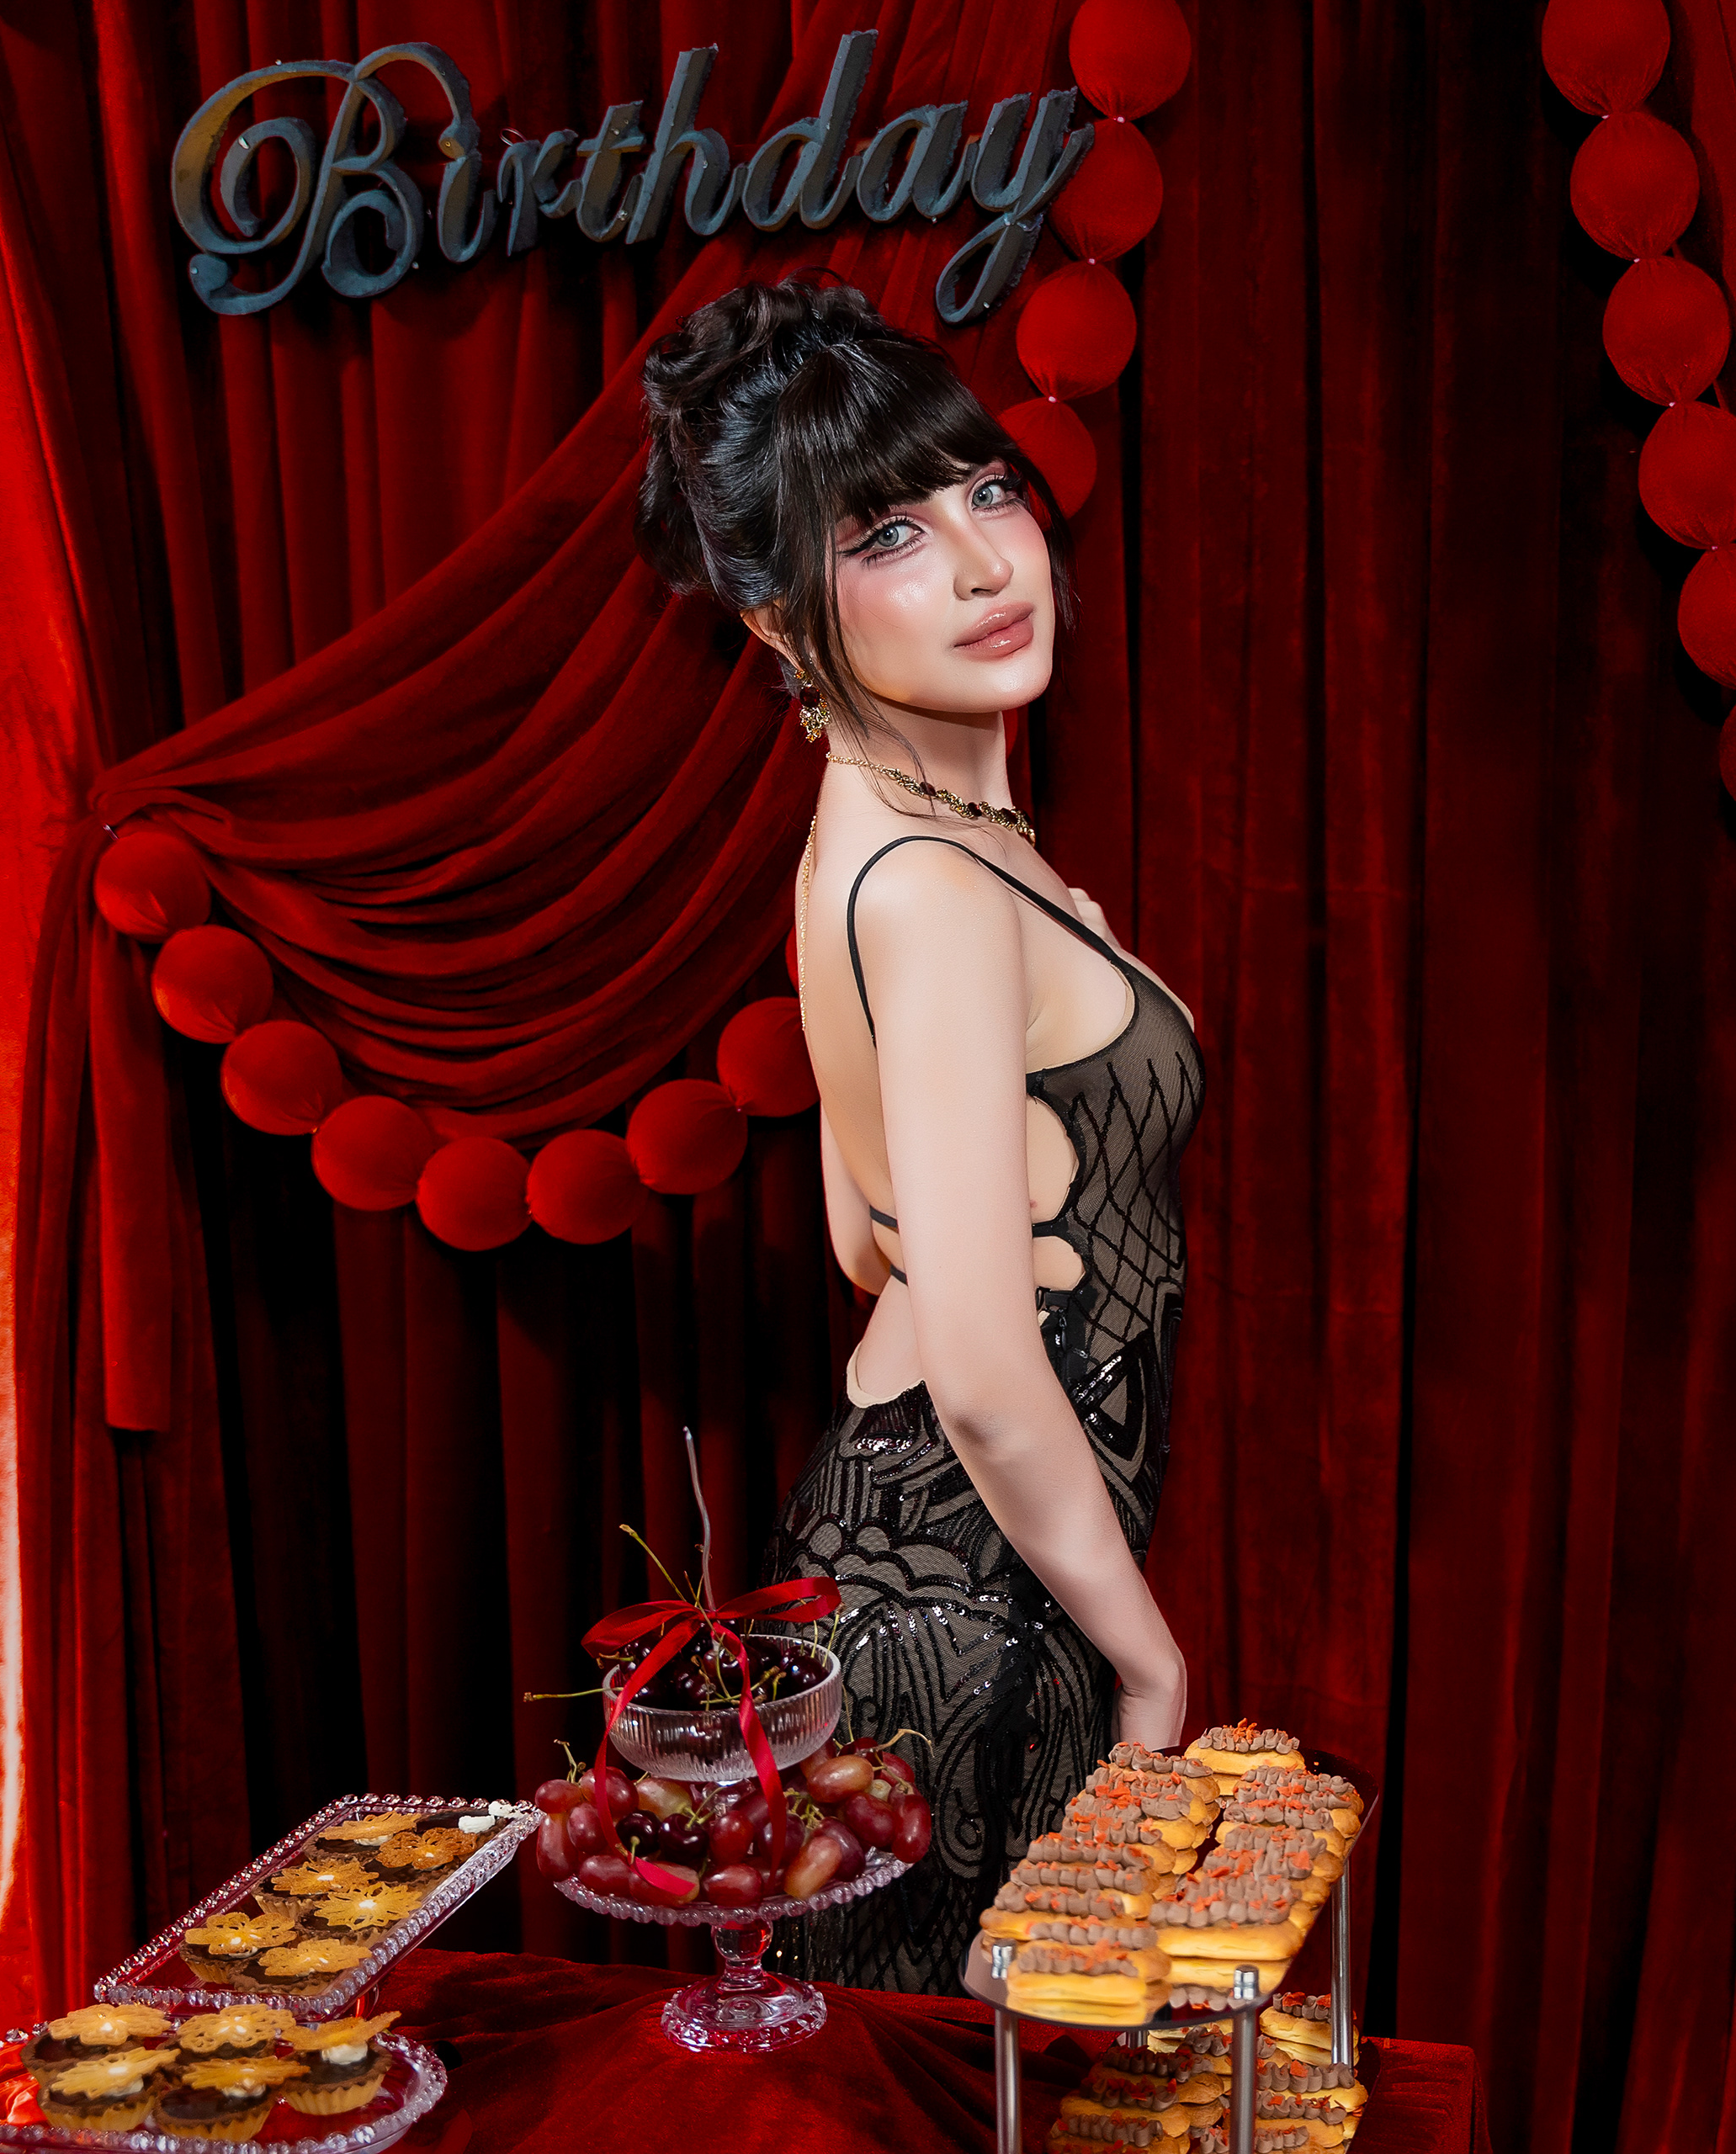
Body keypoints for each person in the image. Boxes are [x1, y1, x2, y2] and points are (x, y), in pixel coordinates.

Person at [634, 274, 1202, 1995]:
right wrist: (1153, 1664)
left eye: (987, 492)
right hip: (971, 1610)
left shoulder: (891, 836)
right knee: (972, 2079)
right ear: (779, 625)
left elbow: (855, 1233)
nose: (981, 563)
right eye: (886, 533)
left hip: (941, 1570)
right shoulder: (934, 888)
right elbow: (978, 1367)